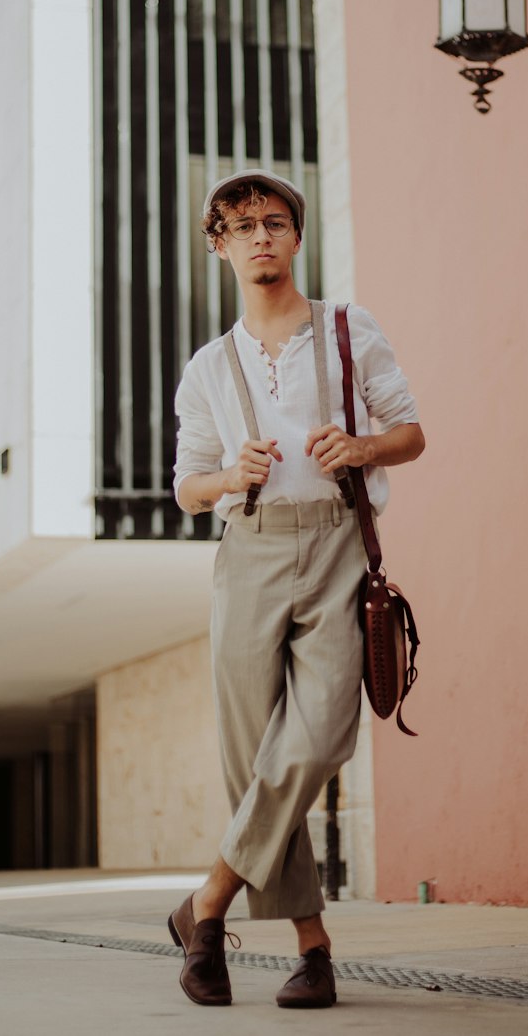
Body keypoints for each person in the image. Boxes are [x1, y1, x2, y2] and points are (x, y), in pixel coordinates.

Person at [169, 168, 425, 1009]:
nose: (259, 237)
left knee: (315, 740)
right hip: (248, 556)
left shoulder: (349, 329)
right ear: (220, 246)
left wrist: (361, 449)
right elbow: (186, 488)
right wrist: (223, 478)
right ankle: (313, 951)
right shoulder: (209, 368)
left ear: (296, 236)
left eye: (273, 222)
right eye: (240, 227)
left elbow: (411, 433)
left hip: (335, 545)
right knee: (257, 766)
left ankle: (207, 904)